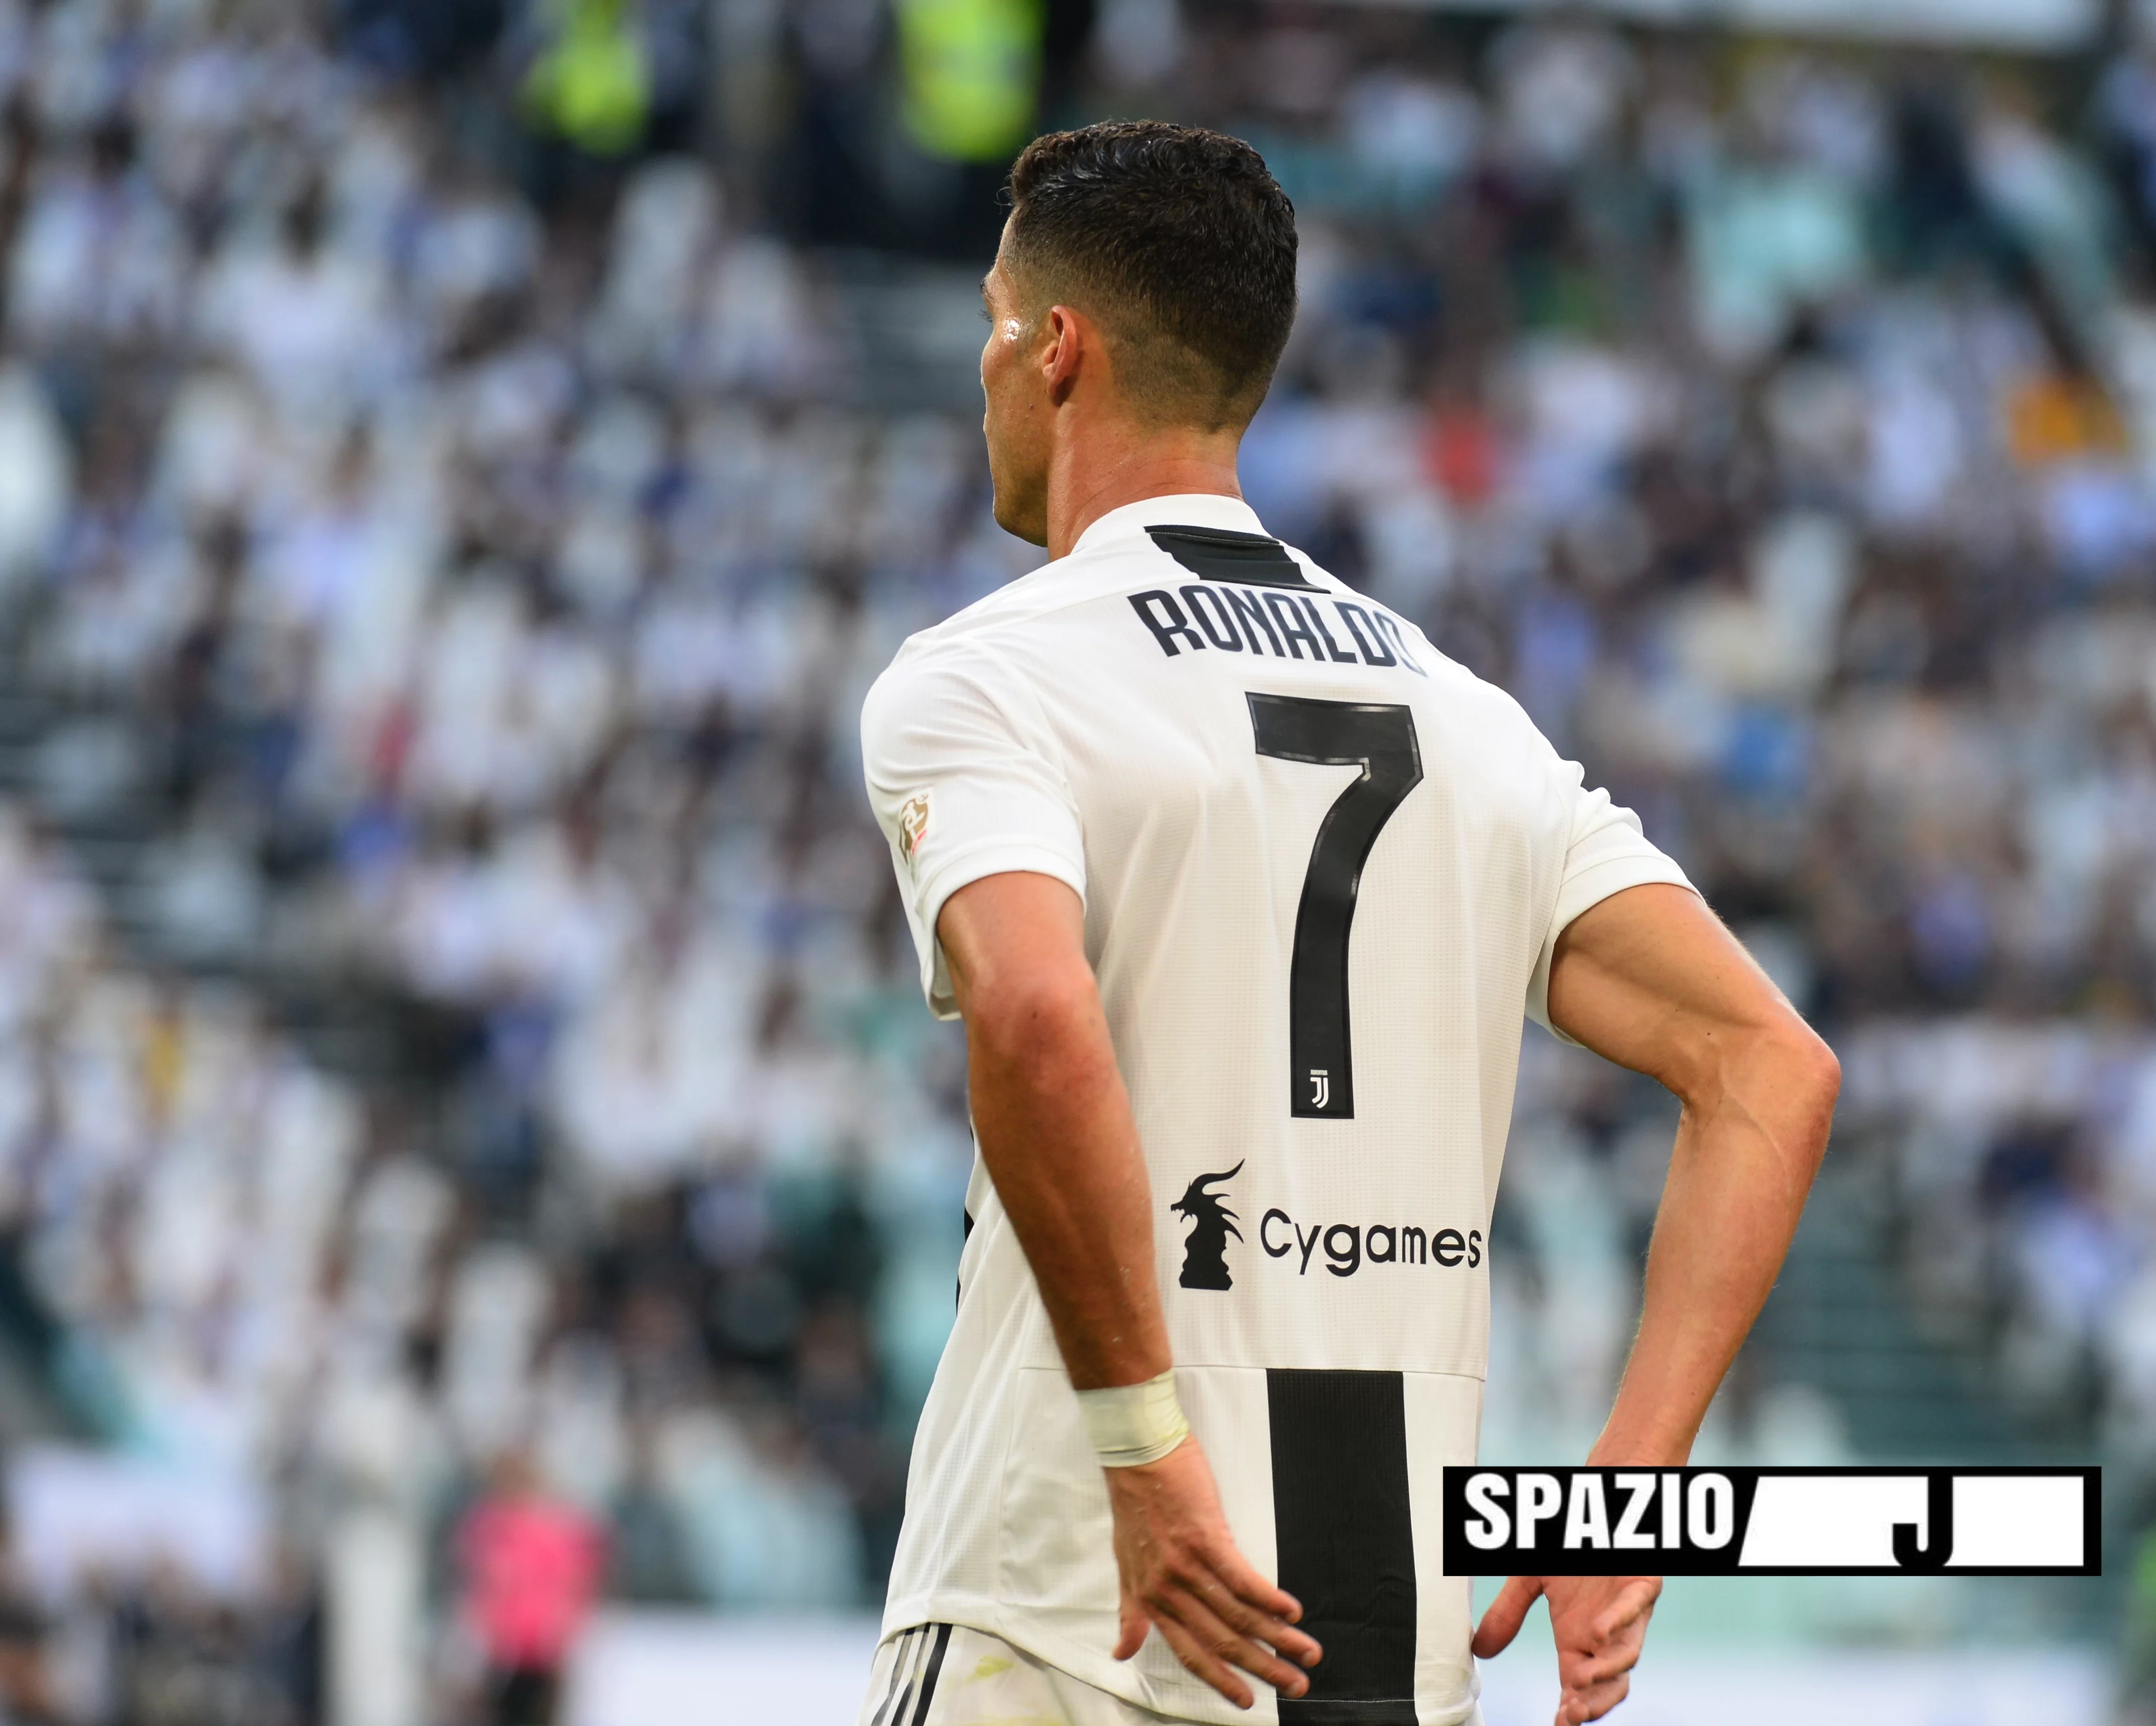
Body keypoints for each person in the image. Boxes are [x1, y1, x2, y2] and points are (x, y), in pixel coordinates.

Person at [857, 121, 1839, 1726]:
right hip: (1382, 1658)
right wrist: (1628, 1501)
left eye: (991, 322)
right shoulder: (1468, 718)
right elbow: (1771, 1069)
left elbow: (1034, 1019)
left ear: (1058, 350)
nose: (982, 367)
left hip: (1071, 1610)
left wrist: (1143, 1452)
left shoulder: (992, 677)